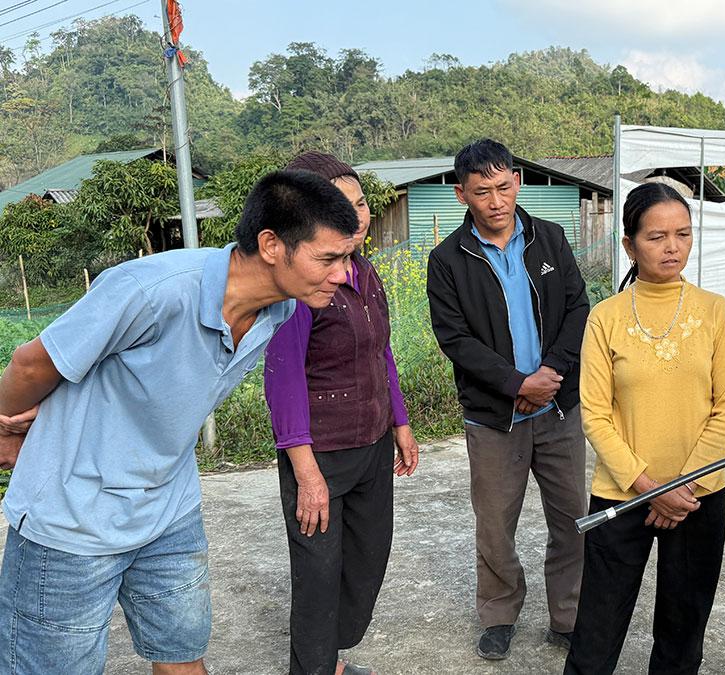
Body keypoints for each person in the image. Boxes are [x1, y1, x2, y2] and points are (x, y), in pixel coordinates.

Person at [0, 170, 361, 675]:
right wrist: (4, 429)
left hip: (169, 511)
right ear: (272, 245)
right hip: (73, 521)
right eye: (329, 258)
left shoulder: (277, 312)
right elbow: (33, 364)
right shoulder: (154, 290)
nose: (343, 273)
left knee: (181, 653)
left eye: (346, 257)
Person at [564, 182, 725, 675]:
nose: (672, 247)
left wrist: (681, 486)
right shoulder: (605, 318)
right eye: (657, 236)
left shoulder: (715, 312)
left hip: (698, 495)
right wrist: (647, 487)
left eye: (683, 234)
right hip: (622, 494)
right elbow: (594, 414)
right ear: (629, 245)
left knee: (683, 627)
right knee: (598, 626)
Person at [426, 138, 590, 660]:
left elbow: (578, 311)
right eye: (482, 192)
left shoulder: (551, 239)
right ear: (461, 195)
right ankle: (498, 615)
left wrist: (549, 374)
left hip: (559, 407)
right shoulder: (447, 259)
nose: (496, 201)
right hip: (495, 418)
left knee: (572, 518)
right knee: (495, 523)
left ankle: (567, 616)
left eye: (503, 187)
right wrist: (516, 384)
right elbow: (454, 339)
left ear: (517, 181)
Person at [263, 152, 419, 675]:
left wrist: (400, 422)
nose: (357, 216)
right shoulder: (301, 286)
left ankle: (330, 654)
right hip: (321, 456)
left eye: (360, 203)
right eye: (341, 207)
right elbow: (282, 379)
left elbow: (381, 351)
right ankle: (315, 667)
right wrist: (306, 473)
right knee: (319, 576)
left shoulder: (367, 273)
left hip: (372, 444)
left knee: (368, 560)